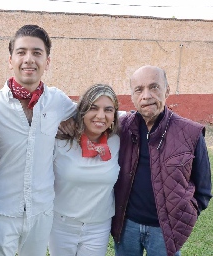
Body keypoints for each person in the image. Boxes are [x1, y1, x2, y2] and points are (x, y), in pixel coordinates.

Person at [0, 24, 76, 255]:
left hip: (41, 211)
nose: (29, 59)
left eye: (37, 53)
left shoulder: (58, 101)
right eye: (21, 52)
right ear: (10, 59)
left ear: (47, 61)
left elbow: (90, 119)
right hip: (2, 211)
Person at [111, 65, 212, 256]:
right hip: (126, 227)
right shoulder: (122, 128)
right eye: (139, 90)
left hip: (164, 232)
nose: (146, 95)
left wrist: (186, 215)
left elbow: (204, 190)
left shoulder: (190, 133)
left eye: (154, 87)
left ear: (167, 90)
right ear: (132, 96)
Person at [49, 84, 120, 256]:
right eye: (93, 108)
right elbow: (48, 98)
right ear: (82, 111)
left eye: (108, 110)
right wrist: (63, 118)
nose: (101, 116)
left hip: (99, 226)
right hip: (61, 225)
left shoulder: (118, 140)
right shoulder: (59, 140)